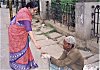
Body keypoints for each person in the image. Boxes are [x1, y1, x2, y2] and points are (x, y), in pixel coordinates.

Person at [8, 1, 42, 70]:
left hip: (16, 30)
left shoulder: (24, 10)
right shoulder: (25, 16)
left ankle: (26, 63)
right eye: (34, 10)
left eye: (36, 11)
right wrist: (36, 43)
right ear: (29, 8)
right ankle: (20, 66)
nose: (35, 12)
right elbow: (29, 30)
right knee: (20, 49)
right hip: (16, 34)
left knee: (25, 47)